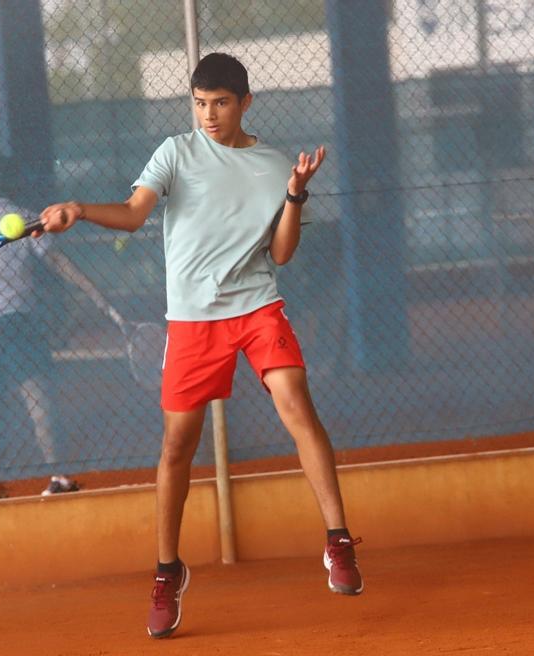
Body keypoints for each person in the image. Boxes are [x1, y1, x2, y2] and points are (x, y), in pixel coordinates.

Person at [36, 52, 363, 640]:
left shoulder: (271, 166)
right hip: (191, 321)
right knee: (176, 447)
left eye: (220, 104)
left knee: (296, 404)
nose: (208, 116)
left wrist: (294, 194)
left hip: (257, 306)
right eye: (200, 104)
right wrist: (79, 210)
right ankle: (167, 571)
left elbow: (282, 254)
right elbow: (136, 214)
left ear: (245, 104)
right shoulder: (175, 152)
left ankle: (337, 541)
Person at [0, 155, 108, 498]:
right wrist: (95, 293)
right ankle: (59, 478)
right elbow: (56, 261)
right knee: (38, 399)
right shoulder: (23, 218)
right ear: (16, 186)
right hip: (14, 321)